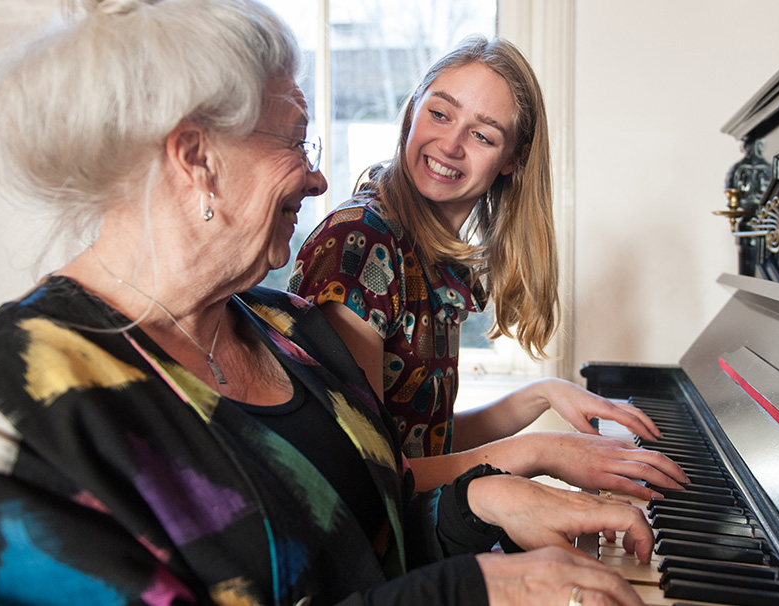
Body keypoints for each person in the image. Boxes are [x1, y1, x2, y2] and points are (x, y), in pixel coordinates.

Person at [0, 1, 654, 604]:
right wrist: (468, 584)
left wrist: (487, 501)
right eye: (294, 139)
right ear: (197, 155)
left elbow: (368, 533)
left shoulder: (287, 331)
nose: (320, 178)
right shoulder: (5, 412)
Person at [291, 37, 688, 496]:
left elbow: (423, 440)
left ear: (513, 160)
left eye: (482, 135)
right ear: (412, 112)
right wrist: (542, 452)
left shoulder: (422, 250)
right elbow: (368, 475)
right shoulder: (359, 244)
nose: (451, 144)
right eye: (439, 114)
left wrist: (542, 395)